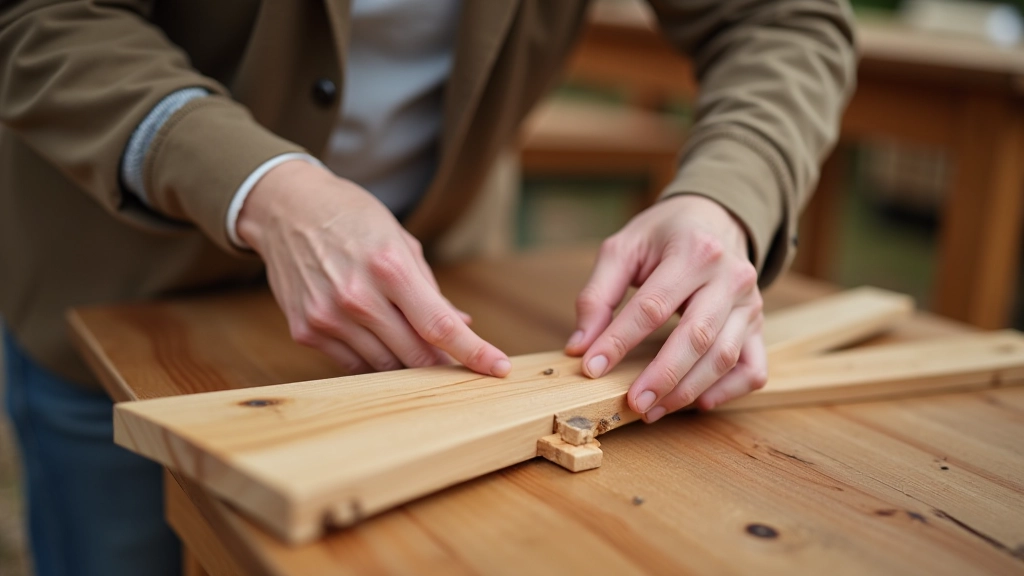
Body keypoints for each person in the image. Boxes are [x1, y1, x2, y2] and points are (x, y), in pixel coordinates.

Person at [0, 0, 855, 574]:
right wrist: (259, 184)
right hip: (123, 301)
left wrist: (727, 199)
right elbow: (43, 18)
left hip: (440, 324)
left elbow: (783, 19)